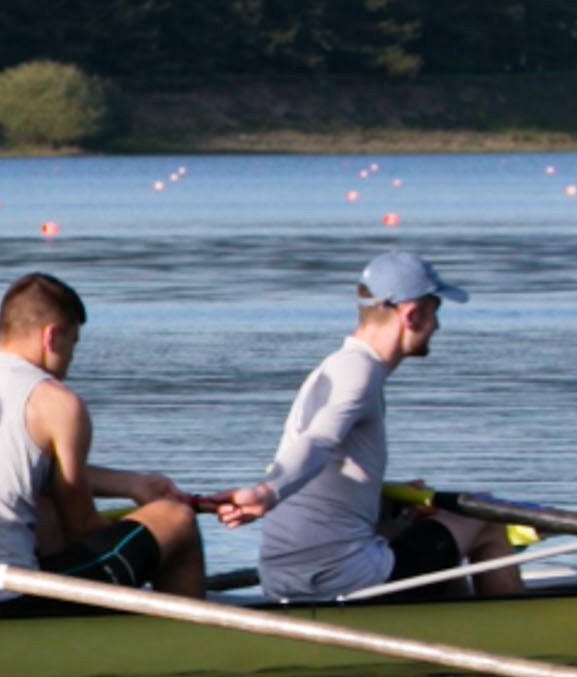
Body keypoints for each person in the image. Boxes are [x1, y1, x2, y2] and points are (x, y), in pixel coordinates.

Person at [213, 251, 511, 604]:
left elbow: (327, 464)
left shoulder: (336, 366)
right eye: (435, 311)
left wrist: (384, 498)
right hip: (336, 579)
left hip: (283, 578)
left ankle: (451, 622)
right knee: (486, 515)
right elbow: (319, 440)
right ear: (411, 314)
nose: (437, 326)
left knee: (427, 535)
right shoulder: (360, 371)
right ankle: (515, 628)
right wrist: (267, 493)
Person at [0, 270, 202, 589]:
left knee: (44, 502)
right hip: (4, 594)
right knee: (175, 519)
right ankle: (183, 619)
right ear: (51, 336)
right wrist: (148, 529)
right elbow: (81, 527)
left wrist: (133, 485)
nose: (70, 358)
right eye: (73, 344)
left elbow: (28, 472)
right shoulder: (57, 401)